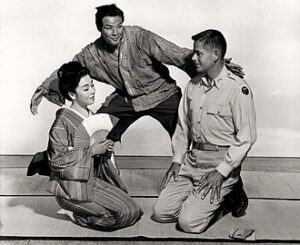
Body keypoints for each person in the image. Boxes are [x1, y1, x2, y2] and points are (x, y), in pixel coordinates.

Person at [30, 4, 244, 142]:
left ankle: (233, 192)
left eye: (119, 26)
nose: (115, 33)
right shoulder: (91, 53)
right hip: (127, 100)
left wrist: (217, 64)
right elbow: (67, 71)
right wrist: (45, 87)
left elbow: (175, 53)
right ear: (99, 29)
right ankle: (100, 180)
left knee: (194, 137)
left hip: (164, 94)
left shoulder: (139, 36)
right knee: (96, 132)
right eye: (108, 28)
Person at [152, 30, 256, 233]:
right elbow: (183, 128)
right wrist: (177, 159)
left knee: (189, 224)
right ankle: (201, 201)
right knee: (160, 213)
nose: (193, 57)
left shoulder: (238, 89)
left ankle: (227, 199)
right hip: (192, 161)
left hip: (219, 164)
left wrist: (222, 171)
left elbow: (245, 139)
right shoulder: (193, 85)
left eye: (198, 53)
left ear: (216, 55)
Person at [47, 61, 142, 230]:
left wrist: (106, 150)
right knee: (118, 217)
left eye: (92, 85)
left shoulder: (93, 116)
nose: (92, 91)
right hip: (70, 188)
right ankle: (74, 214)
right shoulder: (61, 124)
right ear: (72, 94)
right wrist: (91, 152)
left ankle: (87, 208)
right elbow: (56, 162)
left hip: (93, 181)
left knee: (134, 211)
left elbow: (100, 155)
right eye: (86, 88)